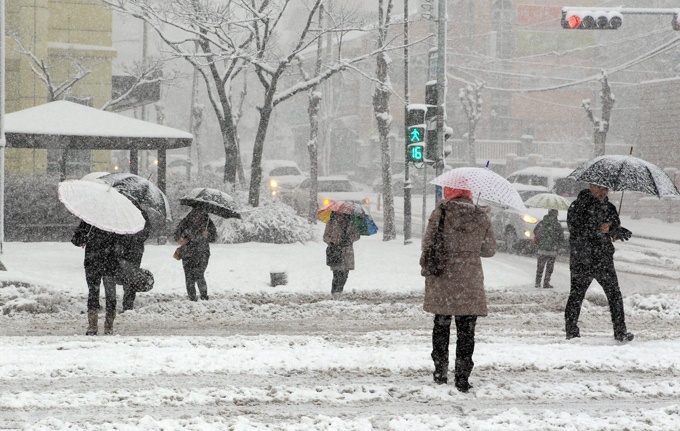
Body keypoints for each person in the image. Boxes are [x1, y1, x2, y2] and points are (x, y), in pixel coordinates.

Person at [420, 187, 496, 392]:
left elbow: (427, 244)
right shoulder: (480, 216)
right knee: (466, 331)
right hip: (469, 279)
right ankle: (462, 377)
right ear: (469, 195)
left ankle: (440, 373)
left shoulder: (440, 213)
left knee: (441, 326)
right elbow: (489, 250)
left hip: (443, 276)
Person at [565, 183, 634, 342]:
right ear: (591, 186)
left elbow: (613, 229)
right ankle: (572, 332)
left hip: (603, 259)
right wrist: (597, 227)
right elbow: (575, 229)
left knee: (615, 295)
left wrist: (615, 230)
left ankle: (620, 332)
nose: (603, 192)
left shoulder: (609, 207)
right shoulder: (578, 206)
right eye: (599, 188)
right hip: (582, 258)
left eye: (606, 188)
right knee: (576, 296)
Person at [71, 221, 120, 336]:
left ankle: (108, 325)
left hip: (108, 263)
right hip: (94, 262)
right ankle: (93, 325)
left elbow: (123, 242)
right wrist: (84, 238)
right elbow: (76, 239)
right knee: (94, 293)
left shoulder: (114, 223)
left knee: (110, 294)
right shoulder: (90, 222)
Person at [174, 208, 217, 301]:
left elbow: (214, 237)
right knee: (189, 275)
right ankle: (192, 297)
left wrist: (208, 235)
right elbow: (177, 232)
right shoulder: (186, 221)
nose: (198, 215)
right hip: (188, 252)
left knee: (199, 274)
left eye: (200, 213)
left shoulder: (208, 223)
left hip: (202, 252)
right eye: (196, 213)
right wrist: (179, 238)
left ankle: (204, 296)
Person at [116, 208, 151, 311]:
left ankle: (127, 303)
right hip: (132, 250)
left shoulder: (121, 213)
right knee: (129, 277)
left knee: (129, 277)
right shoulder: (140, 214)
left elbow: (146, 231)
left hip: (129, 250)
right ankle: (127, 303)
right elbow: (146, 231)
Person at [323, 211, 361, 299]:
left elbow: (357, 235)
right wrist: (333, 240)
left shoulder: (351, 223)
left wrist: (348, 239)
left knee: (345, 274)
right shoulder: (331, 223)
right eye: (338, 213)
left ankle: (339, 291)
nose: (340, 215)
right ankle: (335, 292)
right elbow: (325, 237)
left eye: (342, 213)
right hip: (335, 251)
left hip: (347, 252)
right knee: (336, 273)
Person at [533, 209, 565, 289]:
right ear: (556, 214)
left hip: (541, 249)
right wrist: (558, 245)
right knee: (549, 268)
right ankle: (546, 283)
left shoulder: (542, 222)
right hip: (552, 250)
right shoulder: (557, 224)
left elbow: (535, 231)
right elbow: (561, 237)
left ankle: (537, 282)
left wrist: (541, 241)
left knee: (540, 267)